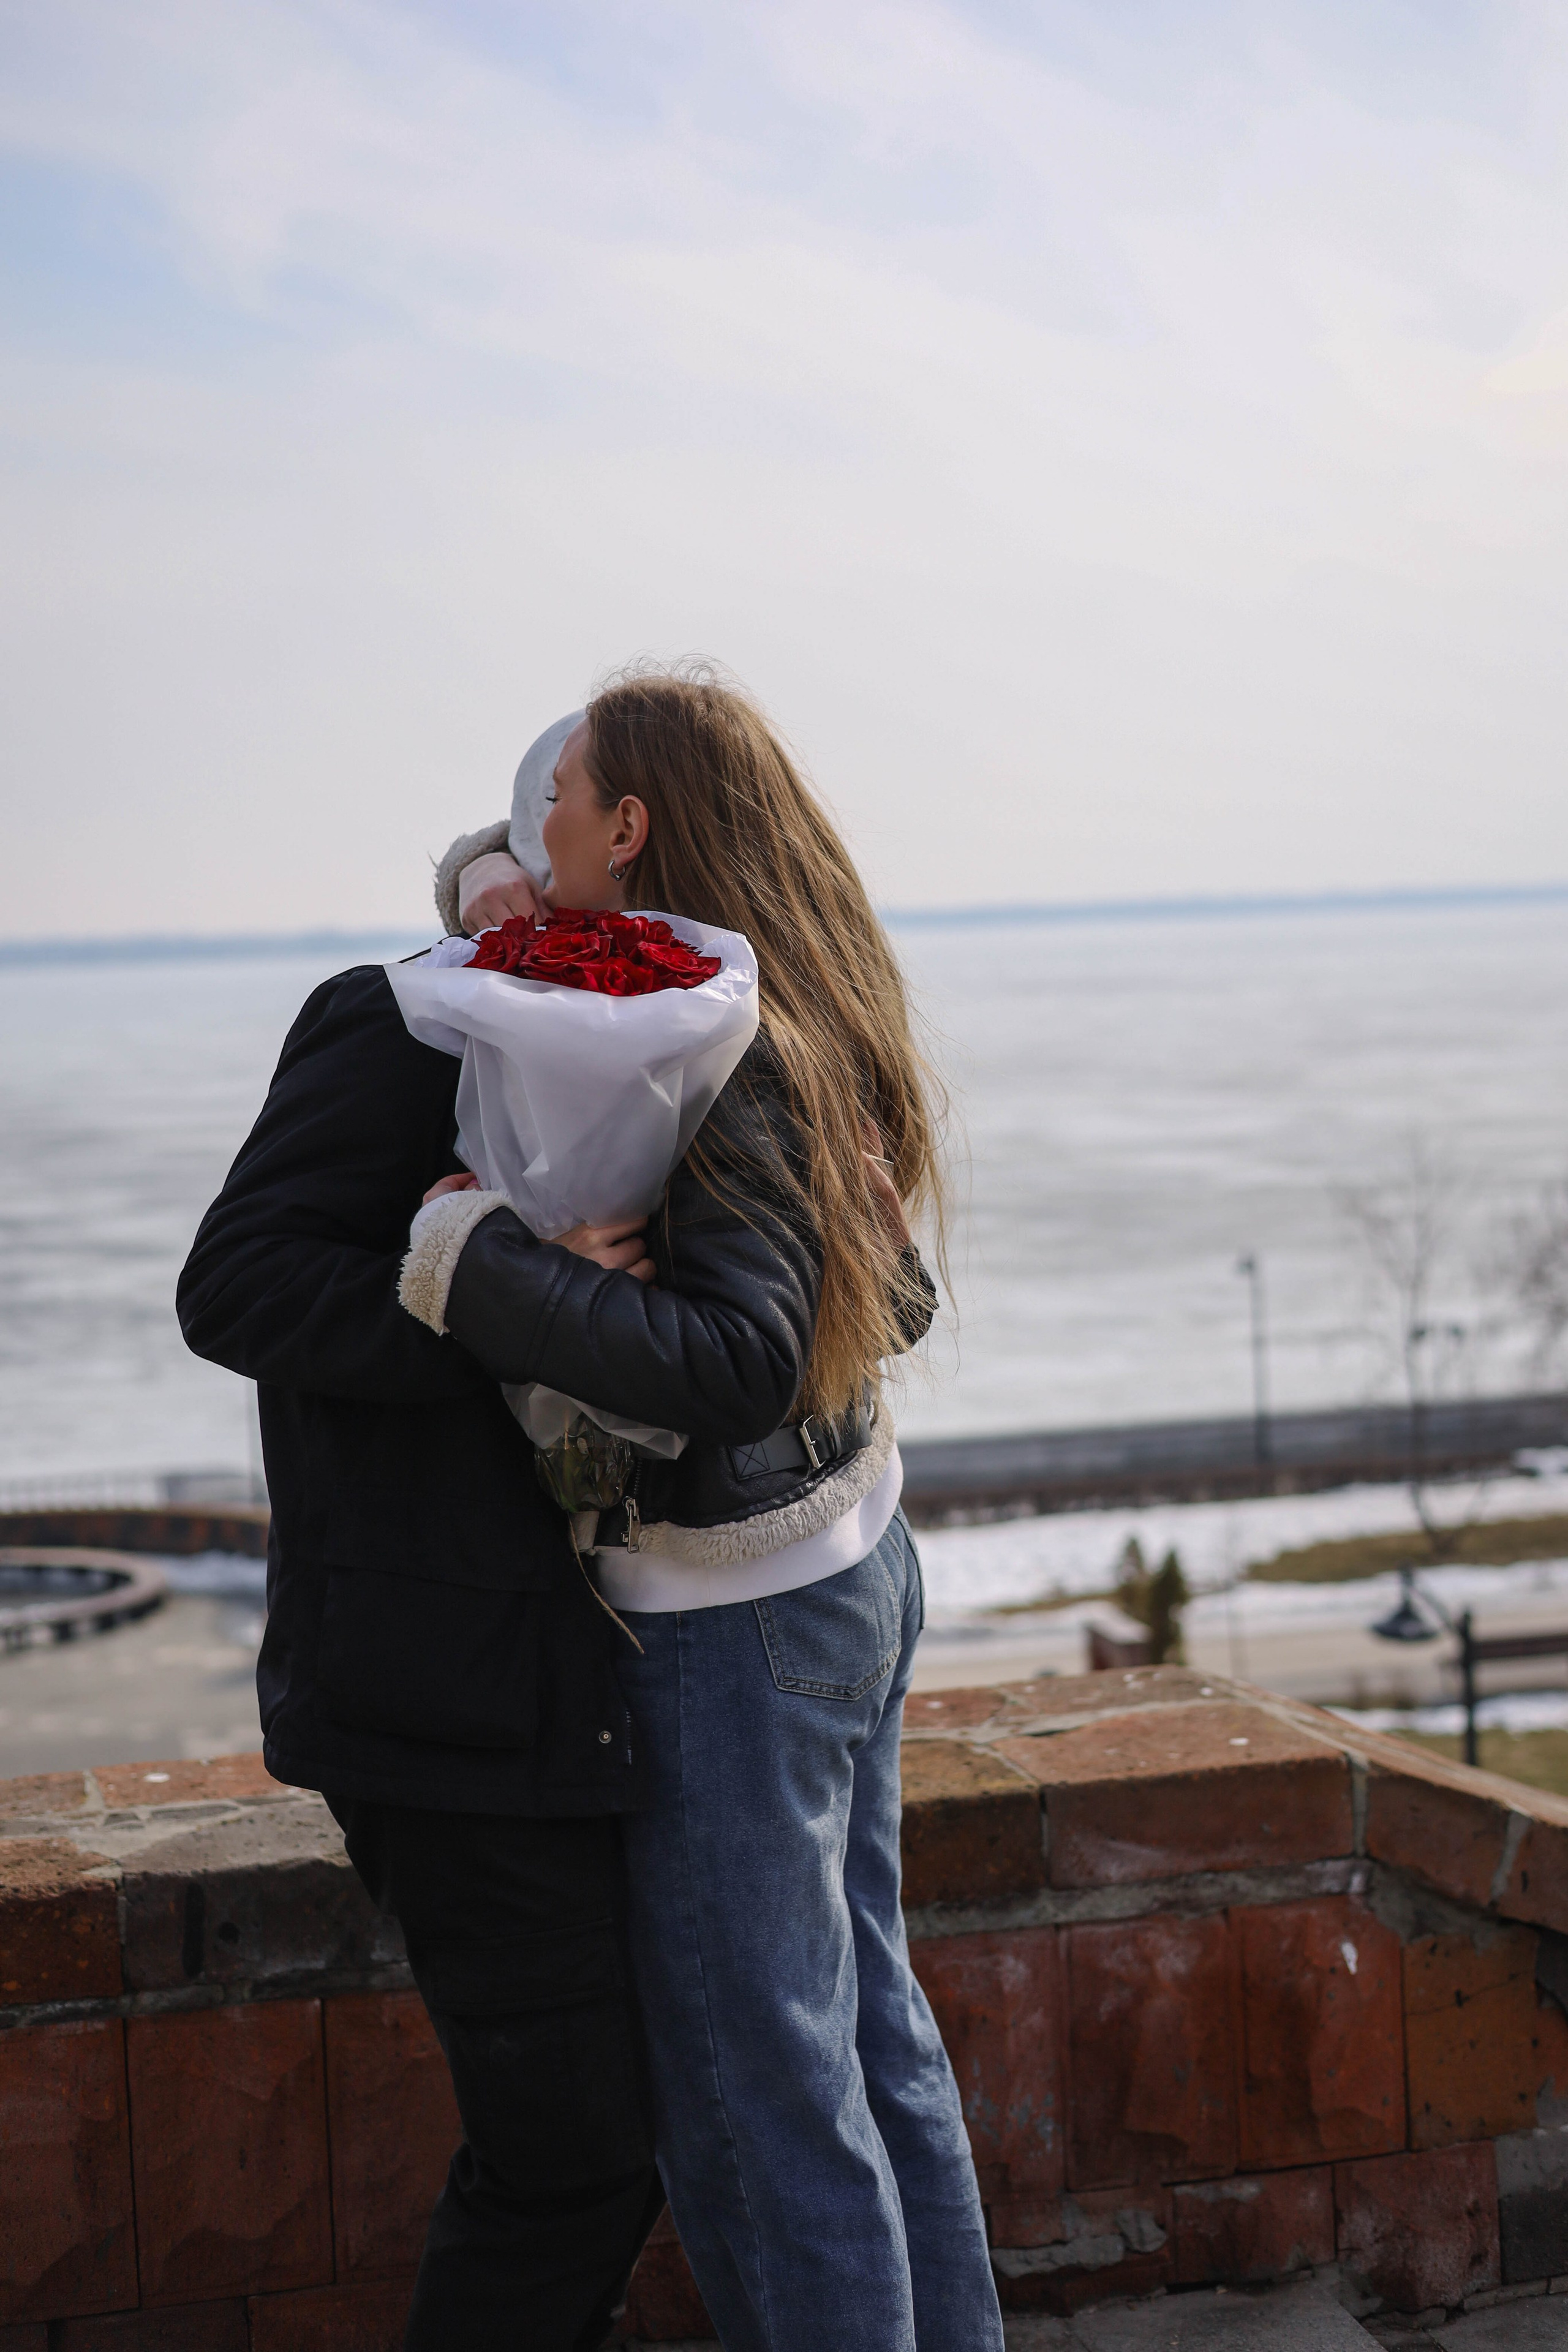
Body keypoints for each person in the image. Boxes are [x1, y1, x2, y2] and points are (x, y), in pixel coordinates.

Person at [405, 668, 1005, 2352]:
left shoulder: (709, 1046)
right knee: (869, 2037)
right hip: (847, 1565)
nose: (534, 826)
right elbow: (890, 1303)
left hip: (734, 1626)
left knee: (761, 2101)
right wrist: (485, 881)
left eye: (563, 799)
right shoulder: (770, 986)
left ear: (630, 828)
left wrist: (476, 1265)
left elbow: (739, 1361)